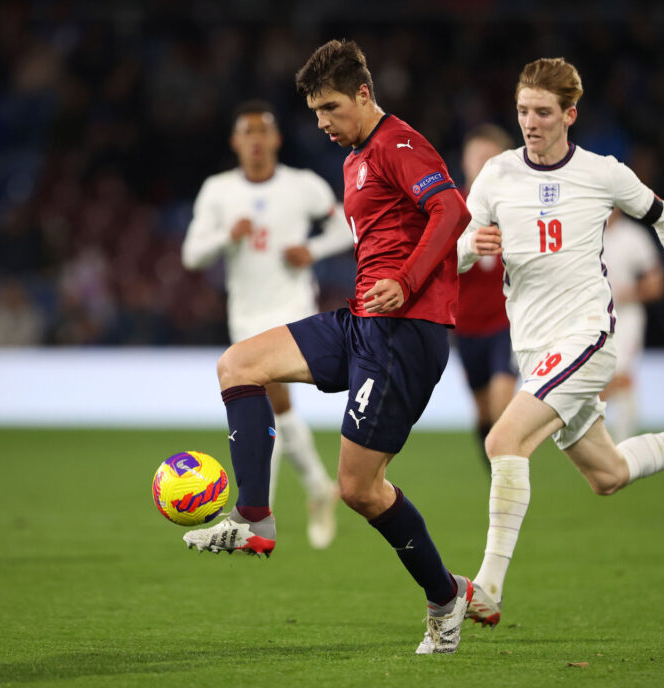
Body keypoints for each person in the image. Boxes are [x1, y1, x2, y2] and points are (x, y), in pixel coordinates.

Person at [181, 40, 474, 654]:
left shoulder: (398, 144)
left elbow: (451, 210)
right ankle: (255, 518)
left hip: (405, 334)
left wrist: (409, 280)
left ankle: (446, 598)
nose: (323, 122)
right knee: (239, 364)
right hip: (362, 321)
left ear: (365, 95)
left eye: (332, 108)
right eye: (315, 112)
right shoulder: (353, 159)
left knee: (360, 490)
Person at [456, 58, 664, 627]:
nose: (531, 121)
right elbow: (457, 250)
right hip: (535, 350)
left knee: (503, 438)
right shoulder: (497, 175)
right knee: (608, 475)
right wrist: (473, 244)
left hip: (586, 337)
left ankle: (488, 589)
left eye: (543, 112)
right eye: (523, 110)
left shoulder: (602, 173)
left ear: (570, 115)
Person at [182, 100, 351, 549]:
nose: (256, 140)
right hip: (246, 313)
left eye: (263, 131)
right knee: (277, 407)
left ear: (276, 139)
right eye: (247, 132)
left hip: (292, 304)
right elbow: (191, 254)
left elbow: (346, 229)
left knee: (271, 396)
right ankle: (316, 487)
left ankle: (259, 515)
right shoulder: (218, 190)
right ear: (236, 141)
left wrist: (311, 250)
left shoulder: (303, 185)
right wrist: (226, 237)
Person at [454, 125, 519, 464]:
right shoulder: (450, 208)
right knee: (483, 414)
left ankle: (510, 479)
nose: (481, 165)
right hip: (466, 327)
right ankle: (498, 475)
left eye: (489, 159)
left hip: (506, 323)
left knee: (501, 407)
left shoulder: (518, 207)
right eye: (476, 157)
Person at [599, 209, 664, 441]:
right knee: (600, 379)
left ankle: (622, 442)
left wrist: (629, 293)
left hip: (626, 317)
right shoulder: (585, 232)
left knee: (621, 374)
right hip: (591, 318)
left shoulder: (633, 237)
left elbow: (657, 283)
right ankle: (609, 440)